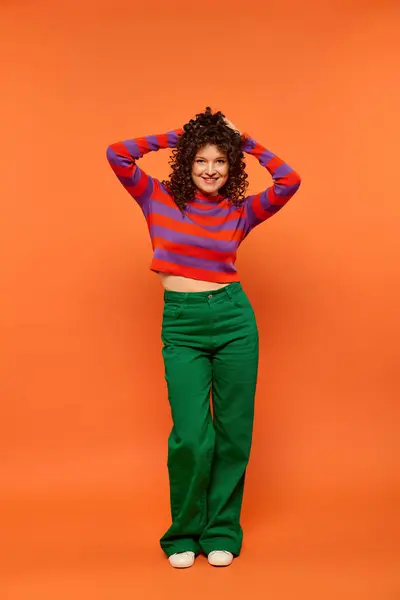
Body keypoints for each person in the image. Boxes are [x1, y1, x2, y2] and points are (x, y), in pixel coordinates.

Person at [106, 107, 301, 568]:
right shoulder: (155, 198)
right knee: (193, 437)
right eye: (200, 160)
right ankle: (184, 534)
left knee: (234, 433)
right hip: (182, 322)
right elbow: (117, 155)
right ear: (186, 162)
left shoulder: (240, 211)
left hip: (234, 320)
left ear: (230, 167)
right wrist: (183, 134)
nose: (210, 170)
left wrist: (246, 140)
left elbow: (289, 182)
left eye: (219, 161)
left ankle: (221, 531)